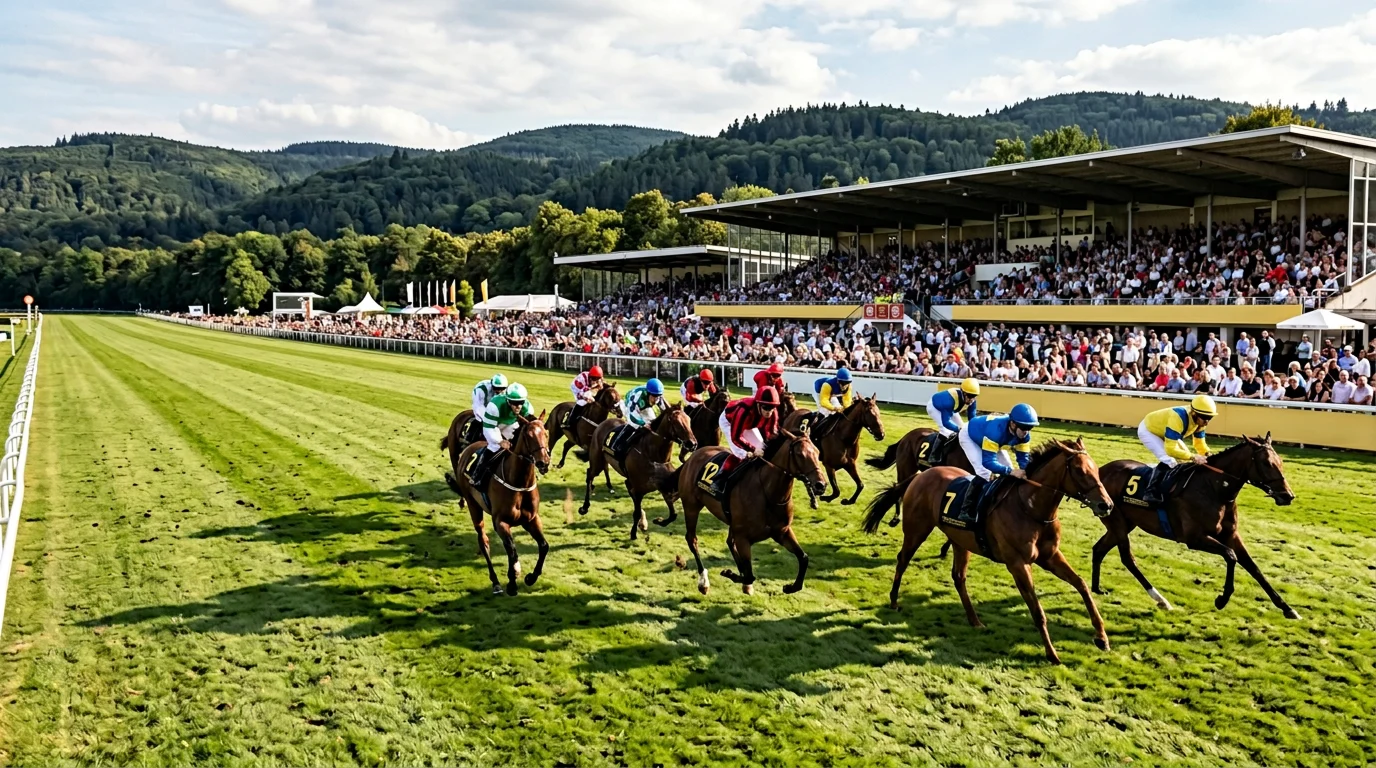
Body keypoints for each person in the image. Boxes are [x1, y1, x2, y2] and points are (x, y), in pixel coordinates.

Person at [956, 404, 1038, 520]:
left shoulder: (1024, 436)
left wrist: (1027, 473)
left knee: (1010, 469)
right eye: (1024, 428)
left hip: (992, 440)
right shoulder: (996, 431)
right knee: (984, 472)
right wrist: (1011, 471)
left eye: (1030, 428)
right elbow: (988, 462)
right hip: (970, 436)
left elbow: (1023, 460)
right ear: (1013, 424)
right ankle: (965, 509)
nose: (1026, 432)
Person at [713, 385, 782, 519]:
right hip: (729, 422)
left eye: (772, 408)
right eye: (766, 408)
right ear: (758, 404)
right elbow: (736, 436)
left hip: (750, 424)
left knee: (762, 449)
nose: (769, 412)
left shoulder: (773, 412)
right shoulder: (743, 410)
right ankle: (720, 478)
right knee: (741, 454)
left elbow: (772, 433)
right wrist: (751, 449)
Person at [1137, 394, 1215, 506]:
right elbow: (1170, 449)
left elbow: (1199, 444)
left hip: (1165, 432)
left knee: (1184, 461)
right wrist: (1193, 456)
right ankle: (1150, 492)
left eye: (1210, 418)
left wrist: (1208, 454)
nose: (1207, 422)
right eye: (1204, 417)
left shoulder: (1201, 420)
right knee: (1170, 460)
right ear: (1194, 413)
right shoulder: (1178, 417)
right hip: (1149, 430)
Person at [471, 383, 534, 486]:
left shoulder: (527, 408)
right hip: (493, 425)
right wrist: (499, 441)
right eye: (514, 403)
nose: (517, 406)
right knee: (495, 447)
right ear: (507, 400)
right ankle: (477, 475)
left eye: (520, 402)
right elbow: (489, 428)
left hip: (510, 423)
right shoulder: (495, 406)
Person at [469, 373, 509, 440]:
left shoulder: (508, 391)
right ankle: (470, 436)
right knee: (481, 419)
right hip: (481, 401)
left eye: (502, 389)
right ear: (492, 385)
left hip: (493, 400)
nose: (499, 391)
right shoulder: (481, 389)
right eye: (496, 388)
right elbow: (479, 407)